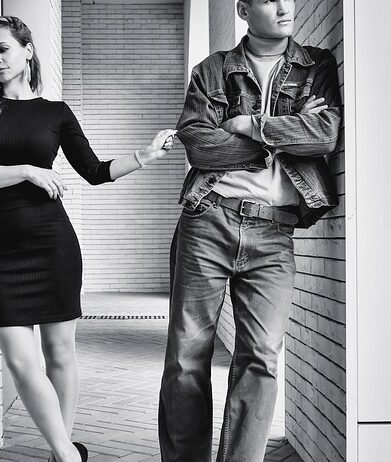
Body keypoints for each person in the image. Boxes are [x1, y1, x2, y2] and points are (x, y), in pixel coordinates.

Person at [0, 16, 175, 462]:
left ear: (27, 50)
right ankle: (70, 455)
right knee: (20, 362)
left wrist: (145, 155)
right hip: (2, 252)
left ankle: (61, 453)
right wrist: (27, 171)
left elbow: (94, 171)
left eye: (3, 49)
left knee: (59, 354)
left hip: (53, 246)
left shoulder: (55, 112)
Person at [158, 0, 341, 461]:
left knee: (261, 356)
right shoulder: (213, 70)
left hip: (275, 233)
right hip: (208, 220)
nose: (283, 7)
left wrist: (248, 125)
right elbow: (199, 146)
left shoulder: (316, 65)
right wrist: (280, 138)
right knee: (186, 356)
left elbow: (323, 135)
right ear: (243, 9)